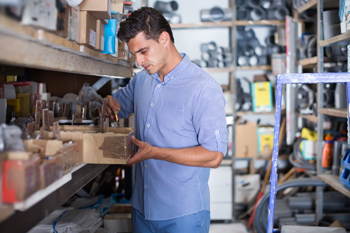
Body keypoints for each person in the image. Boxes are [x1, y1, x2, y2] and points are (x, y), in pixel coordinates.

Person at [102, 6, 228, 233]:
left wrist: (157, 152)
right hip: (141, 209)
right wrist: (108, 102)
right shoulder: (142, 81)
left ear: (164, 38)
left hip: (183, 215)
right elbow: (116, 107)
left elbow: (214, 156)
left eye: (143, 51)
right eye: (134, 55)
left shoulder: (203, 88)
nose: (138, 62)